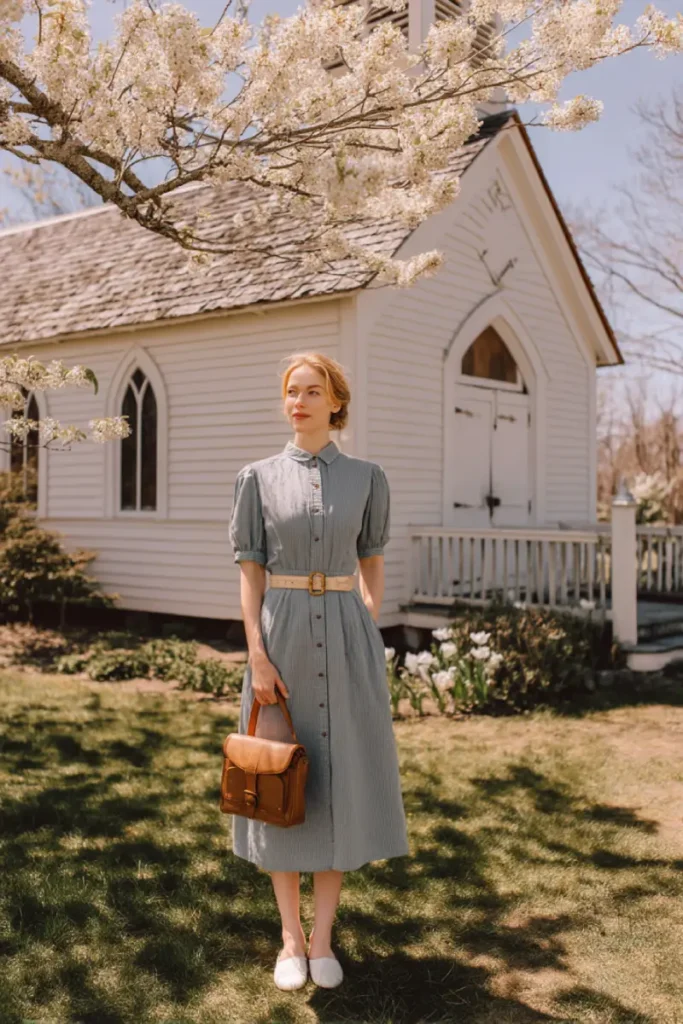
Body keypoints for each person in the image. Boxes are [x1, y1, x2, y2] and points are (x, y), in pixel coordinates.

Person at [228, 351, 410, 992]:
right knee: (279, 783)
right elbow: (250, 573)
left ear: (336, 402)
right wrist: (256, 652)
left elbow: (373, 560)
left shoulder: (367, 477)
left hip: (346, 635)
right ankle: (290, 938)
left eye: (313, 391)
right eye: (290, 391)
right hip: (279, 641)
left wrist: (364, 619)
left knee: (337, 784)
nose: (299, 401)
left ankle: (324, 938)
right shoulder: (257, 477)